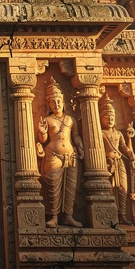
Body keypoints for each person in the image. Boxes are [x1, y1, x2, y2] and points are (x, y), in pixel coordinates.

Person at [36, 81, 84, 228]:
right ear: (48, 104)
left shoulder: (70, 119)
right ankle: (54, 216)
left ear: (63, 102)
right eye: (52, 102)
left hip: (71, 156)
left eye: (58, 101)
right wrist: (42, 133)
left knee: (71, 186)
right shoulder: (48, 120)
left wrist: (80, 146)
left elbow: (75, 135)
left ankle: (68, 216)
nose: (56, 104)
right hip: (53, 155)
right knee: (53, 185)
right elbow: (43, 140)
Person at [101, 105, 135, 225]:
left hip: (119, 162)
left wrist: (131, 155)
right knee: (109, 189)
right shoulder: (100, 133)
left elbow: (124, 147)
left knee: (123, 188)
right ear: (101, 118)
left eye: (112, 117)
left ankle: (123, 215)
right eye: (107, 117)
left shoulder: (118, 133)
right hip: (107, 163)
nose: (110, 120)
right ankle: (112, 215)